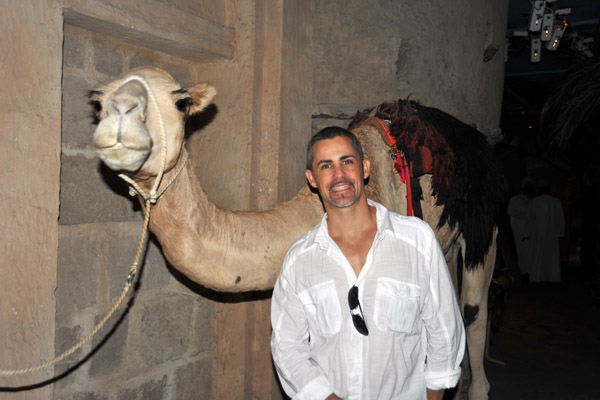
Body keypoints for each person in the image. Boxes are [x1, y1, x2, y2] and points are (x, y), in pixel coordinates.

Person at [270, 127, 465, 400]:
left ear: (365, 168)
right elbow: (287, 348)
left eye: (347, 161)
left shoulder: (416, 241)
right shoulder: (300, 261)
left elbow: (445, 331)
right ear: (312, 179)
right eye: (326, 166)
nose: (339, 175)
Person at [527, 182, 565, 283]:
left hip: (538, 234)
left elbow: (530, 219)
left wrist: (529, 232)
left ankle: (537, 278)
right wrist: (560, 232)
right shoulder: (556, 202)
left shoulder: (534, 201)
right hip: (552, 233)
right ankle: (552, 278)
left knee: (538, 255)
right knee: (551, 256)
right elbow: (560, 218)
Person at [507, 176, 536, 276]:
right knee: (521, 251)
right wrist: (526, 215)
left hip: (529, 230)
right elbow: (511, 211)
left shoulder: (533, 200)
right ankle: (522, 272)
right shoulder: (515, 199)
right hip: (518, 230)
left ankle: (529, 271)